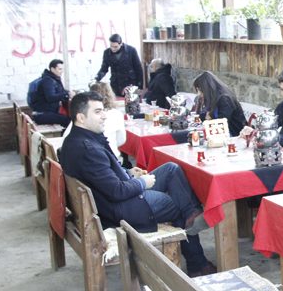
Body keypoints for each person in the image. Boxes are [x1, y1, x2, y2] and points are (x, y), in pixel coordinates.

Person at [60, 92, 216, 277]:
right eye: (98, 112)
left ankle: (192, 214)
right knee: (177, 203)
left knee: (171, 169)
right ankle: (197, 263)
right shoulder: (88, 149)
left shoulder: (76, 140)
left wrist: (128, 172)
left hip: (115, 196)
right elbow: (116, 191)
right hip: (123, 207)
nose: (104, 116)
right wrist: (142, 182)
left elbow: (104, 176)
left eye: (103, 110)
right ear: (81, 117)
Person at [63, 82, 126, 159]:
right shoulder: (117, 114)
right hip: (108, 155)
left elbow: (66, 136)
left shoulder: (84, 115)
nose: (104, 116)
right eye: (97, 112)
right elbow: (121, 140)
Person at [193, 71, 246, 136]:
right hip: (221, 132)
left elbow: (221, 122)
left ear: (206, 88)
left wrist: (210, 117)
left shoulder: (225, 99)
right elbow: (204, 116)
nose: (199, 94)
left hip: (234, 134)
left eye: (200, 90)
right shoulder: (213, 98)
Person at [30, 59, 74, 128]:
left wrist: (67, 93)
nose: (62, 71)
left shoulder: (54, 79)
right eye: (59, 69)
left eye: (62, 69)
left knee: (67, 119)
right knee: (68, 121)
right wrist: (67, 94)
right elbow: (50, 97)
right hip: (42, 114)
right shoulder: (47, 81)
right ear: (52, 69)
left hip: (47, 112)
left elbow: (60, 92)